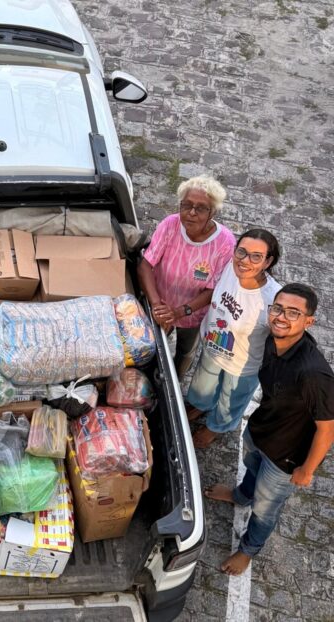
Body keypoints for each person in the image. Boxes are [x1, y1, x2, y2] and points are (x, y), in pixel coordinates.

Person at [204, 283, 334, 575]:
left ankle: (248, 550)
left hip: (286, 457)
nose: (281, 317)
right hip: (260, 431)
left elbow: (327, 429)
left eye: (293, 313)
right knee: (251, 469)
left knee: (264, 509)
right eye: (278, 308)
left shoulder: (313, 374)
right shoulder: (273, 342)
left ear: (308, 321)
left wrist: (307, 470)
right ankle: (240, 496)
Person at [187, 229, 282, 448]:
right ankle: (203, 405)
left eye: (256, 257)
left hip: (242, 366)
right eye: (242, 252)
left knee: (230, 402)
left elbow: (282, 336)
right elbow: (213, 291)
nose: (245, 261)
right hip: (213, 347)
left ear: (268, 262)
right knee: (203, 387)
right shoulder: (229, 268)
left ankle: (215, 428)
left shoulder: (273, 299)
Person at [138, 175, 236, 378]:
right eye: (187, 205)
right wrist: (158, 306)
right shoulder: (170, 225)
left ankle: (177, 378)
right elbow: (146, 264)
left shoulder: (225, 243)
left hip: (193, 312)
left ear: (213, 212)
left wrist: (180, 312)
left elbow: (214, 289)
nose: (191, 213)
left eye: (200, 208)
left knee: (185, 351)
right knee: (151, 345)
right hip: (161, 304)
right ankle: (151, 378)